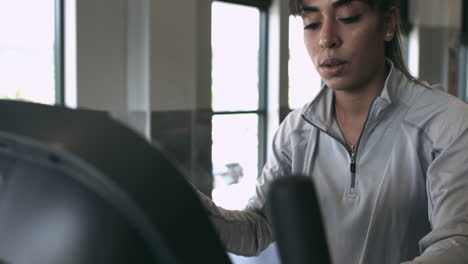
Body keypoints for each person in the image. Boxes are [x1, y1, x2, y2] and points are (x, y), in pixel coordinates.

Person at [197, 0, 468, 263]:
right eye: (312, 23)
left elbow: (457, 243)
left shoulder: (447, 123)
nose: (327, 39)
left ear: (388, 23)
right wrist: (181, 199)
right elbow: (257, 231)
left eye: (347, 17)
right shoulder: (296, 131)